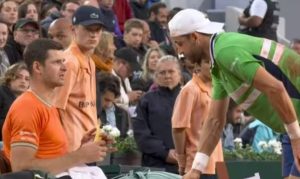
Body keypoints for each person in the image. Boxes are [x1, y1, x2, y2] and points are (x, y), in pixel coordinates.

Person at [168, 9, 300, 179]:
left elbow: (275, 88)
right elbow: (215, 121)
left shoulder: (225, 52)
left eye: (179, 44)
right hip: (293, 129)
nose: (179, 52)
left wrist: (296, 138)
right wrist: (196, 169)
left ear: (194, 37)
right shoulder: (218, 62)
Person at [2, 38, 109, 178]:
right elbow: (21, 169)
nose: (65, 67)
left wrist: (83, 148)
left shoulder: (49, 104)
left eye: (63, 61)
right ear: (37, 67)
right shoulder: (27, 107)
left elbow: (53, 155)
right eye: (57, 62)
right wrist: (79, 156)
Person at [53, 5, 104, 152]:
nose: (94, 35)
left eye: (97, 30)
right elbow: (56, 108)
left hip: (87, 145)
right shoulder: (69, 62)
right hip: (71, 148)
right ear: (74, 29)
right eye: (88, 29)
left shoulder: (91, 62)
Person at [172, 62, 223, 179]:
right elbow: (178, 128)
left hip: (216, 162)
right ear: (197, 65)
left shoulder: (217, 88)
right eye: (208, 62)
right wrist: (181, 162)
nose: (213, 66)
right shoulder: (189, 90)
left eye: (216, 62)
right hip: (196, 164)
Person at [133, 55, 181, 173]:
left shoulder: (190, 98)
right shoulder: (147, 100)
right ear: (155, 76)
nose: (167, 75)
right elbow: (141, 134)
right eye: (162, 72)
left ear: (179, 74)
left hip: (188, 166)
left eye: (171, 71)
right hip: (155, 167)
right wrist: (165, 153)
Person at [0, 62, 29, 140]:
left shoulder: (28, 99)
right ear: (9, 78)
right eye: (19, 77)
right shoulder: (1, 92)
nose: (23, 81)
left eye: (27, 79)